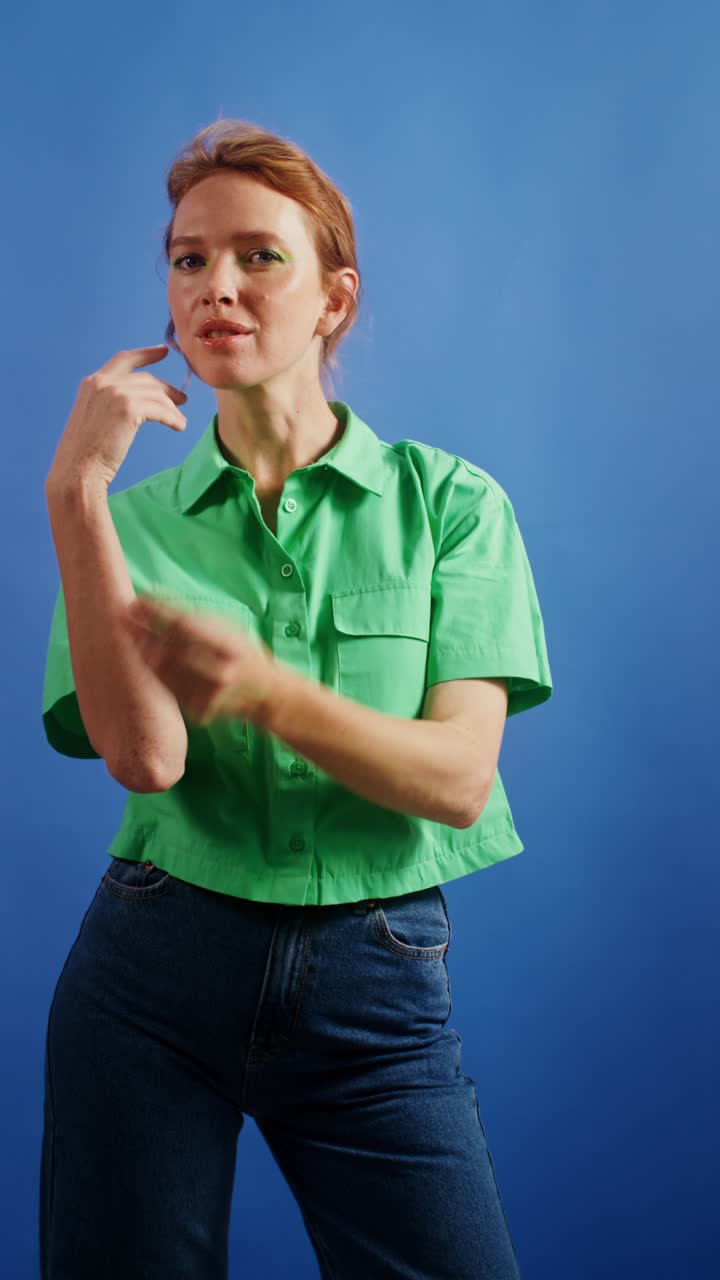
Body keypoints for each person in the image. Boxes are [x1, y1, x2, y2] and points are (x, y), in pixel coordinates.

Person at [39, 118, 552, 1280]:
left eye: (258, 255)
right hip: (149, 981)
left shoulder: (453, 506)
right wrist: (75, 491)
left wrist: (265, 689)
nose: (216, 285)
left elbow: (459, 779)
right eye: (187, 258)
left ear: (333, 298)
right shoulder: (127, 525)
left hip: (377, 983)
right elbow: (145, 759)